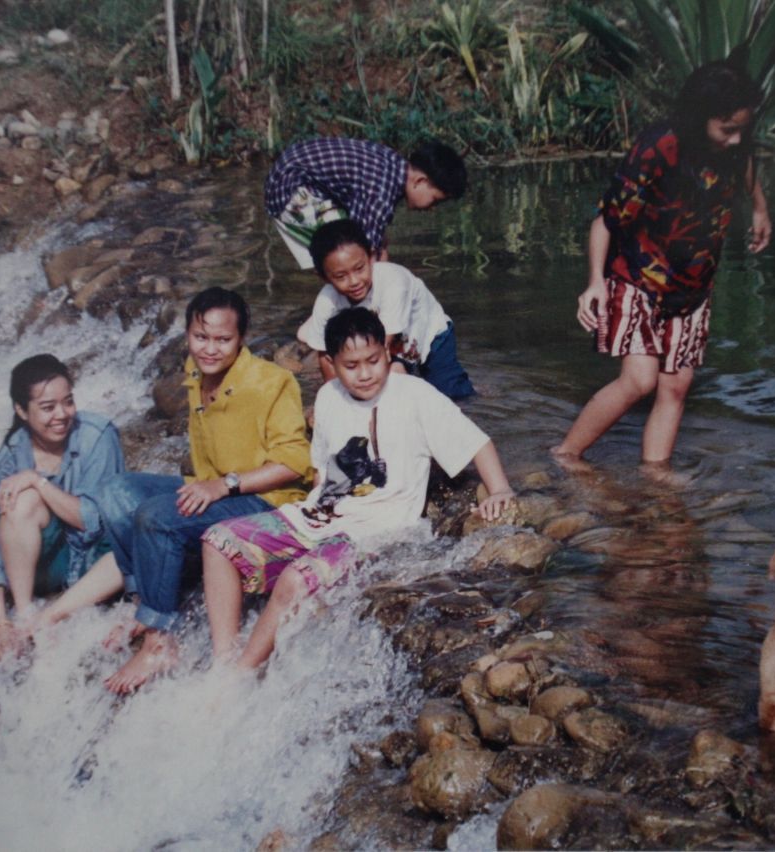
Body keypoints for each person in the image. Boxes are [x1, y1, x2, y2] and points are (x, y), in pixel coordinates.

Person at [198, 307, 514, 672]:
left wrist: (500, 489)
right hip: (319, 517)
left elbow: (476, 443)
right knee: (217, 541)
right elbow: (322, 472)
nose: (365, 374)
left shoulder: (414, 395)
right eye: (351, 365)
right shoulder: (330, 396)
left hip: (376, 531)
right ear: (331, 363)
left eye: (373, 360)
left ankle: (241, 674)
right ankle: (224, 657)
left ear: (387, 352)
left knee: (296, 579)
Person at [35, 288, 313, 693]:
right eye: (201, 337)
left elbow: (293, 463)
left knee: (158, 517)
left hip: (262, 500)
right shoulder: (195, 371)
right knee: (117, 492)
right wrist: (211, 485)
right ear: (187, 334)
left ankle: (158, 641)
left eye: (223, 340)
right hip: (211, 487)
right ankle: (142, 603)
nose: (210, 349)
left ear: (242, 339)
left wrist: (224, 484)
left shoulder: (272, 382)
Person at [551, 60, 772, 473]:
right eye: (727, 129)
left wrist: (760, 207)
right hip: (639, 275)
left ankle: (655, 479)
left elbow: (746, 162)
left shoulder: (735, 145)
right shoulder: (659, 147)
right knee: (640, 381)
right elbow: (607, 217)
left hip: (694, 284)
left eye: (743, 129)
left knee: (677, 384)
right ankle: (565, 456)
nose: (736, 138)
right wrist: (595, 282)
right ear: (700, 117)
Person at [0, 354, 125, 661]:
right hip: (45, 565)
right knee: (18, 502)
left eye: (68, 402)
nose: (62, 414)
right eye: (48, 407)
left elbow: (93, 520)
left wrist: (37, 481)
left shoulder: (97, 436)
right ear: (21, 411)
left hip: (98, 563)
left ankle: (45, 618)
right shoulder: (10, 453)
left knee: (135, 545)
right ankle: (25, 611)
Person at [296, 219, 474, 400]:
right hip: (383, 346)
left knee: (450, 392)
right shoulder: (326, 302)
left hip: (428, 335)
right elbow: (326, 355)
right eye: (341, 276)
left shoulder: (394, 283)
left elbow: (383, 348)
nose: (354, 281)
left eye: (359, 268)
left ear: (371, 257)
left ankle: (474, 396)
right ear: (323, 276)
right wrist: (334, 399)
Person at [264, 137, 467, 268]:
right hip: (290, 188)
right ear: (420, 181)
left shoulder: (393, 165)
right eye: (435, 200)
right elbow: (364, 246)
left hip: (296, 178)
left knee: (369, 253)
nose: (432, 209)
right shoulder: (381, 192)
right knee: (354, 259)